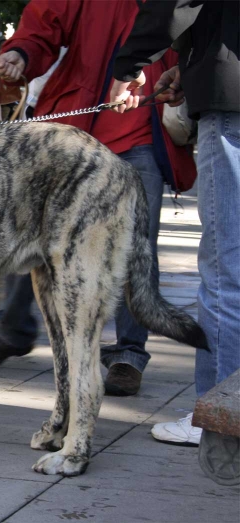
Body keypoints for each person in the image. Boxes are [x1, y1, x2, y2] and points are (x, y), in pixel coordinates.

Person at [0, 0, 197, 399]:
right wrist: (21, 52)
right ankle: (14, 328)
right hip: (76, 121)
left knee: (135, 244)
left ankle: (128, 353)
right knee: (31, 232)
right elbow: (44, 23)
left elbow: (189, 29)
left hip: (142, 122)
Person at [110, 0, 239, 445]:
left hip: (233, 99)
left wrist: (127, 66)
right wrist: (190, 66)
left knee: (225, 270)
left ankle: (217, 418)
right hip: (221, 73)